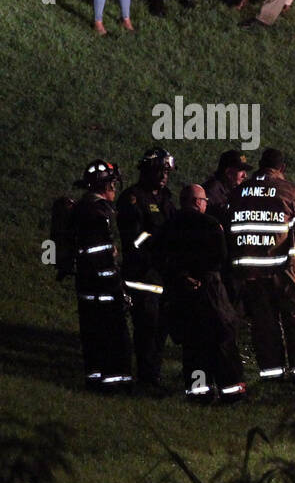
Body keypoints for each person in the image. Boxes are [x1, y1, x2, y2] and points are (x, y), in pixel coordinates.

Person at [228, 148, 295, 384]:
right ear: (281, 168)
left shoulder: (238, 192)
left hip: (250, 273)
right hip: (285, 270)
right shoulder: (289, 190)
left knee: (264, 326)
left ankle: (272, 377)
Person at [157, 185, 246, 403]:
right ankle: (231, 392)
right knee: (222, 340)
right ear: (198, 202)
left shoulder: (169, 225)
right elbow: (220, 257)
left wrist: (181, 276)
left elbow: (159, 255)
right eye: (204, 200)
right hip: (209, 291)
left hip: (181, 294)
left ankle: (199, 392)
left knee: (193, 346)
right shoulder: (210, 224)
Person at [70, 160, 134, 392]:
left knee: (93, 340)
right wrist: (117, 287)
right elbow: (103, 255)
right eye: (112, 182)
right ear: (103, 184)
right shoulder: (98, 212)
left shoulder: (81, 208)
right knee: (115, 340)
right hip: (104, 291)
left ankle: (95, 381)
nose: (114, 187)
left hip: (86, 289)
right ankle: (116, 385)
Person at [117, 147, 177, 394]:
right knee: (147, 328)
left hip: (162, 274)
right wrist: (158, 243)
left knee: (161, 329)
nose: (164, 175)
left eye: (167, 170)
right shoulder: (132, 198)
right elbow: (134, 237)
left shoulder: (165, 198)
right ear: (147, 170)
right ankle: (146, 379)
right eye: (159, 170)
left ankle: (153, 377)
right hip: (142, 275)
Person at [201, 149, 251, 230]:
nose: (245, 176)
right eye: (241, 171)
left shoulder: (230, 190)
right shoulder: (211, 191)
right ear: (228, 172)